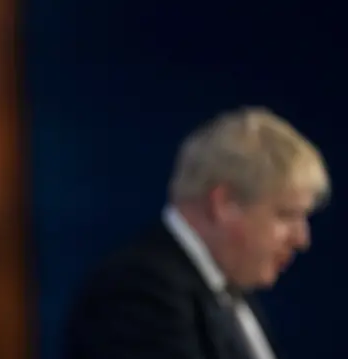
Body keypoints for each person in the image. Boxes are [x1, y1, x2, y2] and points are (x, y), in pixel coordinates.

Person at [65, 107, 330, 359]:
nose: (301, 239)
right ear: (224, 204)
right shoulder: (135, 292)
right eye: (286, 215)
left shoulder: (226, 291)